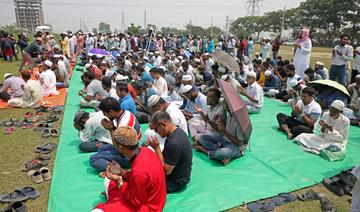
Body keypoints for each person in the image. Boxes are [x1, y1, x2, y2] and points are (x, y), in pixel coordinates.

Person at [93, 126, 166, 212]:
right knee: (108, 181)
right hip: (151, 198)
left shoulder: (139, 172)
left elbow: (136, 202)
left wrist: (119, 182)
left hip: (147, 208)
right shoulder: (146, 151)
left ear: (120, 147)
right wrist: (122, 173)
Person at [89, 97, 142, 172]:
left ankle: (119, 171)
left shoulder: (123, 125)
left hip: (129, 156)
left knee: (93, 159)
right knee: (101, 148)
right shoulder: (126, 113)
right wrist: (113, 127)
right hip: (133, 148)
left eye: (105, 114)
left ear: (111, 112)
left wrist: (110, 129)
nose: (106, 116)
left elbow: (119, 149)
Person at [147, 111, 192, 193]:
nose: (157, 133)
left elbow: (166, 172)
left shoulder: (174, 144)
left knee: (143, 185)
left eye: (156, 130)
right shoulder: (177, 132)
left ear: (163, 124)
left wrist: (157, 148)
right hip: (180, 175)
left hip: (174, 182)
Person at [193, 101, 247, 165]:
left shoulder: (240, 122)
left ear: (230, 106)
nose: (223, 105)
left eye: (224, 104)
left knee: (221, 153)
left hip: (236, 147)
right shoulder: (230, 114)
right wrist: (220, 122)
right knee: (201, 138)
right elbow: (221, 129)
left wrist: (224, 132)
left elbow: (240, 143)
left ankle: (205, 151)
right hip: (225, 139)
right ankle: (225, 154)